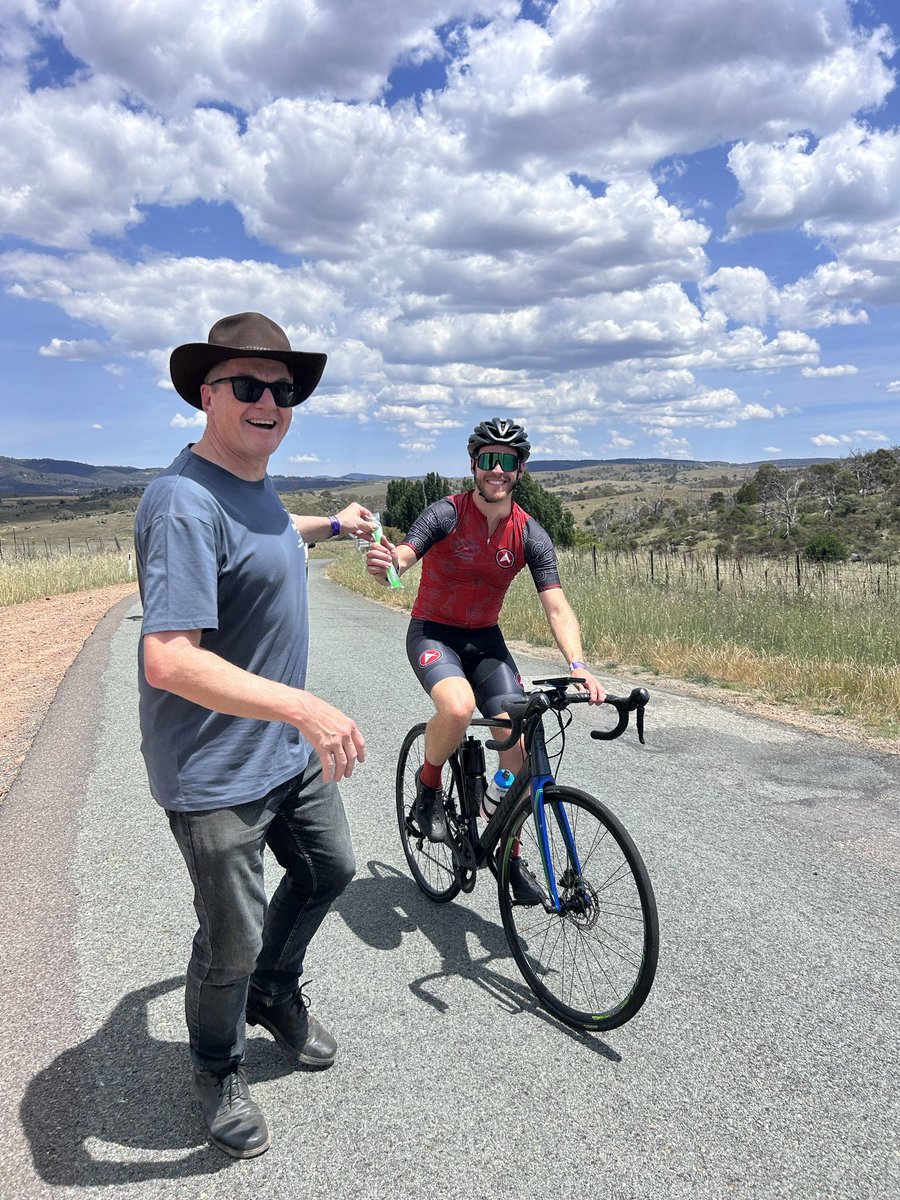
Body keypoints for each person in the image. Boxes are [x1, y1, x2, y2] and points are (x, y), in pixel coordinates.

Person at [134, 311, 376, 1160]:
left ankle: (274, 991)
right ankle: (217, 1062)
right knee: (228, 935)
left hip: (277, 751)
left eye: (282, 389)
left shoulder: (252, 483)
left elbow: (268, 534)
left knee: (330, 868)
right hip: (214, 768)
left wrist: (332, 526)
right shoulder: (182, 502)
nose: (268, 400)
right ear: (208, 394)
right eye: (248, 385)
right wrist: (306, 707)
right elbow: (168, 659)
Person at [366, 417, 605, 903]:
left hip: (486, 641)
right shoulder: (445, 514)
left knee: (517, 753)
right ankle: (429, 786)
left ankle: (506, 854)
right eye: (488, 460)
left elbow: (556, 605)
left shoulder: (529, 533)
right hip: (434, 632)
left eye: (508, 461)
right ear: (475, 464)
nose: (497, 470)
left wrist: (579, 666)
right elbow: (405, 558)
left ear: (519, 470)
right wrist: (389, 564)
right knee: (456, 708)